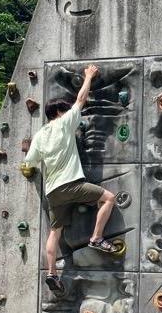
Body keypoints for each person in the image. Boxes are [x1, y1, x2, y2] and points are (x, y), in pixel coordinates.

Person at [24, 63, 118, 291]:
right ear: (58, 113)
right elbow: (81, 99)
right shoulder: (63, 123)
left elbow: (29, 163)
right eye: (65, 111)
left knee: (55, 232)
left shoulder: (39, 136)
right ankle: (97, 237)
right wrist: (88, 76)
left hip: (53, 192)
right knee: (108, 198)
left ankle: (52, 274)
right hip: (71, 185)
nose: (69, 114)